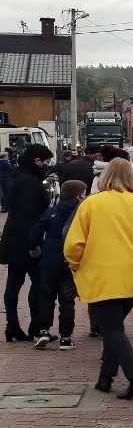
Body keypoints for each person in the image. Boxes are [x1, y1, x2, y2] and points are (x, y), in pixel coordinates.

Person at [64, 158, 133, 399]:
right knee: (115, 328)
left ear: (104, 177)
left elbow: (74, 245)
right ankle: (105, 378)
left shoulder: (91, 204)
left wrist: (78, 265)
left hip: (102, 275)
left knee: (110, 328)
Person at [0, 144, 53, 342]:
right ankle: (36, 326)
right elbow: (29, 216)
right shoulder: (31, 182)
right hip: (27, 241)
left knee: (14, 282)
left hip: (13, 237)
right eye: (46, 162)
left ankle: (12, 325)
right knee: (39, 283)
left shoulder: (18, 178)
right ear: (37, 161)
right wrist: (34, 244)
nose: (47, 166)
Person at [28, 180, 87, 350]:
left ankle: (43, 331)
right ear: (78, 197)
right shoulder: (82, 214)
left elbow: (36, 230)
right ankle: (66, 338)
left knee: (46, 296)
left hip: (49, 261)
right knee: (67, 300)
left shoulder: (52, 211)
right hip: (71, 261)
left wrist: (33, 247)